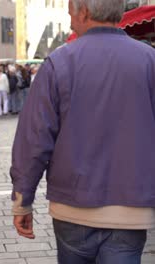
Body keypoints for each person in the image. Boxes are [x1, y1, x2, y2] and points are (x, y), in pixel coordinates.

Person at [10, 1, 155, 263]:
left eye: (70, 14)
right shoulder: (149, 61)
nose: (69, 21)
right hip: (133, 205)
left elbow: (33, 140)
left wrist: (22, 200)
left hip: (73, 204)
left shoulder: (58, 63)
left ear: (84, 12)